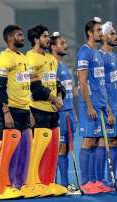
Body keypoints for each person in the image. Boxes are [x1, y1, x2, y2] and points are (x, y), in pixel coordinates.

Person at [0, 25, 34, 200]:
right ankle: (1, 187)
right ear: (10, 37)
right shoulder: (4, 58)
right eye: (19, 35)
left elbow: (25, 87)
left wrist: (30, 109)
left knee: (23, 149)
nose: (22, 38)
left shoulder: (22, 57)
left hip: (24, 110)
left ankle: (17, 184)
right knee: (7, 148)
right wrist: (6, 111)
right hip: (10, 110)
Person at [26, 24, 68, 196]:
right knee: (38, 149)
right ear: (36, 39)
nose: (48, 39)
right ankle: (32, 182)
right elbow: (36, 88)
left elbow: (54, 83)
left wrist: (59, 94)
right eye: (44, 36)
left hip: (52, 111)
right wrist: (55, 100)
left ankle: (47, 182)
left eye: (48, 36)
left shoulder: (51, 59)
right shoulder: (30, 58)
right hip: (38, 110)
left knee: (52, 150)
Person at [76, 17, 112, 194]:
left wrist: (107, 108)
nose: (101, 33)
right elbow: (82, 83)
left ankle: (96, 180)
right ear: (90, 33)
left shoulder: (97, 53)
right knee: (89, 140)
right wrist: (89, 106)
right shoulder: (84, 52)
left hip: (100, 104)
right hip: (89, 105)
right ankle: (85, 182)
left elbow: (101, 83)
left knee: (98, 141)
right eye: (98, 31)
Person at [51, 32, 81, 194]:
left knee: (67, 148)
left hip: (70, 112)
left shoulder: (64, 65)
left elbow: (71, 91)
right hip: (60, 113)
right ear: (53, 46)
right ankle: (61, 184)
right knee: (60, 149)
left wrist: (74, 112)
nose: (66, 46)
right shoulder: (52, 65)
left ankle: (63, 184)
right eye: (62, 43)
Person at [98, 21, 117, 186]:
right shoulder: (100, 57)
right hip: (109, 108)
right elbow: (100, 85)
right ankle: (102, 179)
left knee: (114, 141)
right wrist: (108, 110)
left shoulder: (114, 57)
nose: (116, 36)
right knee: (104, 142)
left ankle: (112, 178)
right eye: (112, 33)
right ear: (104, 36)